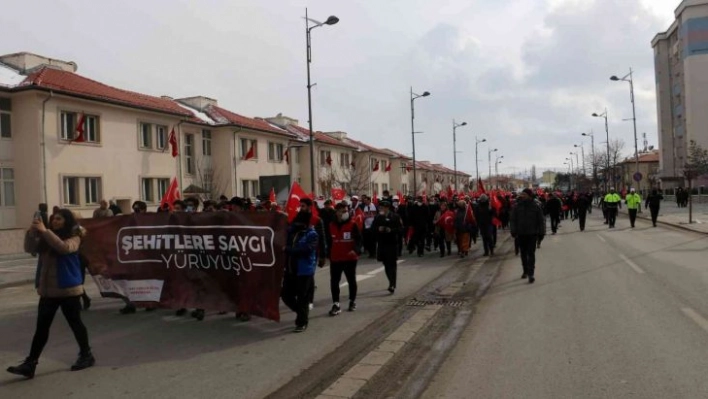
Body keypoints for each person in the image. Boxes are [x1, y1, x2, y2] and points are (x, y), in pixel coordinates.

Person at [8, 209, 95, 379]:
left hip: (68, 289)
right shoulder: (47, 237)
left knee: (75, 323)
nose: (55, 221)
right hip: (48, 291)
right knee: (41, 328)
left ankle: (86, 355)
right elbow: (30, 248)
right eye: (53, 219)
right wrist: (31, 233)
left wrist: (45, 231)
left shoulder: (75, 236)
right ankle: (30, 363)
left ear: (67, 221)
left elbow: (63, 248)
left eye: (59, 219)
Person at [282, 210, 319, 333]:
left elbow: (306, 250)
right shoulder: (291, 232)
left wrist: (288, 250)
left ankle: (302, 322)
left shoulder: (312, 234)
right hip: (290, 269)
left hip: (304, 271)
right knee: (286, 295)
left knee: (302, 297)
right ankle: (302, 313)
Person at [326, 203, 362, 315]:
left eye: (346, 210)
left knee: (351, 280)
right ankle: (336, 304)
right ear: (336, 212)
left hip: (349, 258)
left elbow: (359, 240)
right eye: (342, 211)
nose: (344, 213)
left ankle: (352, 301)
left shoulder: (352, 224)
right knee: (334, 281)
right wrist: (326, 254)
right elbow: (328, 241)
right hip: (336, 258)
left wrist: (355, 250)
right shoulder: (331, 225)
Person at [510, 189, 545, 284]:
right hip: (521, 234)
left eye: (524, 194)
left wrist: (541, 233)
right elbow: (513, 220)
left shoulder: (536, 206)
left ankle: (531, 274)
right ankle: (525, 270)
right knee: (523, 254)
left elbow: (541, 221)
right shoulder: (517, 207)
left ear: (529, 195)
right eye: (522, 194)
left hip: (532, 234)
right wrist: (513, 230)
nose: (522, 195)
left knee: (531, 254)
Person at [372, 201, 402, 294]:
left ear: (387, 208)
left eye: (383, 207)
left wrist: (391, 230)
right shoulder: (377, 217)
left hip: (392, 243)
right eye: (380, 207)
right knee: (386, 264)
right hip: (382, 243)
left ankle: (392, 284)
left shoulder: (395, 216)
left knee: (392, 265)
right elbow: (372, 228)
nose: (381, 209)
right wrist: (378, 229)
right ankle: (391, 282)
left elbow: (400, 229)